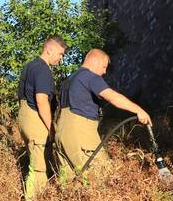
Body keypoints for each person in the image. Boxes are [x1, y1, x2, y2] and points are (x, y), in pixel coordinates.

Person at [56, 48, 151, 181]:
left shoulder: (68, 81)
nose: (104, 72)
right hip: (80, 132)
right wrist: (139, 110)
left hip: (61, 133)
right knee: (101, 177)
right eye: (104, 66)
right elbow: (112, 97)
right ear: (94, 61)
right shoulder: (90, 76)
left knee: (70, 183)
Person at [17, 36, 66, 200]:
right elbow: (42, 100)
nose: (60, 59)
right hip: (36, 119)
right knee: (39, 168)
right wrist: (50, 127)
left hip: (24, 116)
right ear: (49, 50)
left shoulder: (29, 66)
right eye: (60, 54)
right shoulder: (43, 69)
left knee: (35, 163)